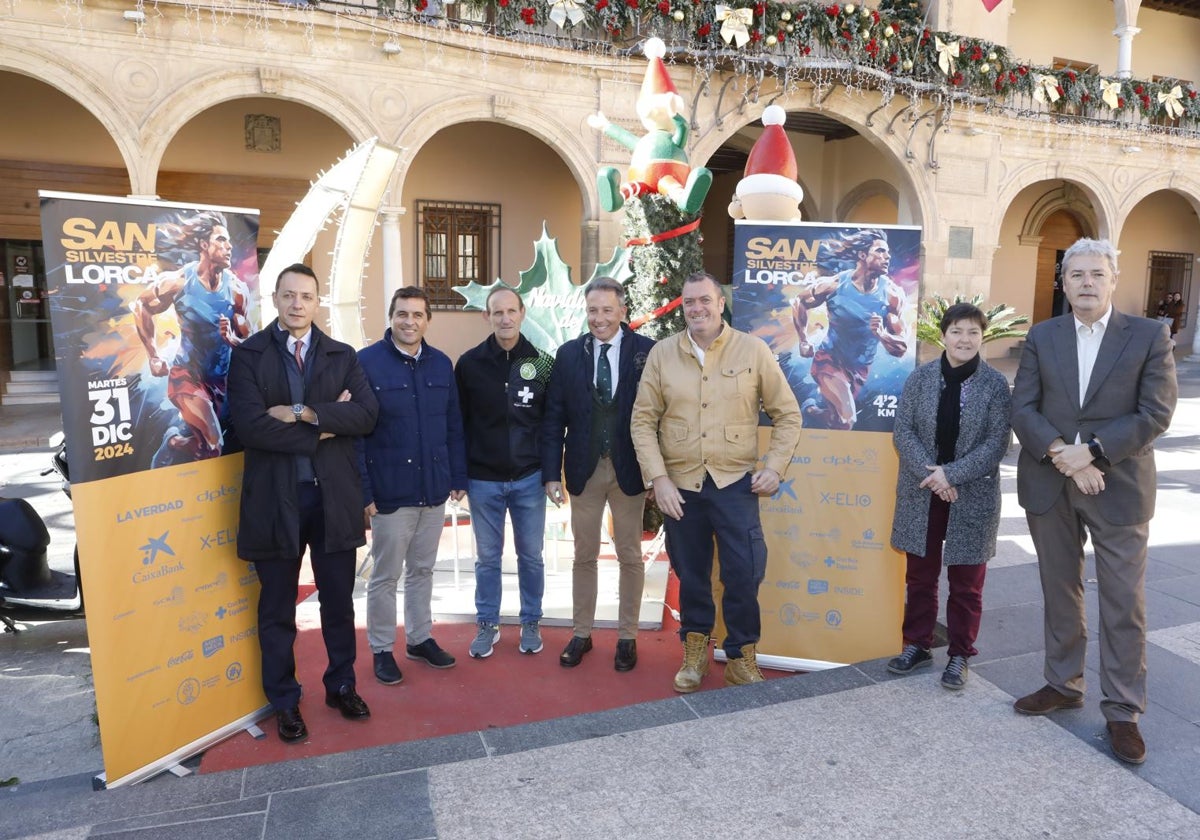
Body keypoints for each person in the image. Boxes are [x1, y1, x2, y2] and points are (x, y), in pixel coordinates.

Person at [1011, 238, 1176, 766]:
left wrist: (1094, 455)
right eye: (1076, 274)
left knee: (1123, 602)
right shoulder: (1043, 335)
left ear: (1113, 278)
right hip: (1050, 483)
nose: (1086, 282)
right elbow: (1024, 406)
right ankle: (1063, 683)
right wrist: (1063, 453)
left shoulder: (1150, 335)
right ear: (1064, 282)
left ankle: (1123, 710)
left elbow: (1155, 412)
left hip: (1119, 486)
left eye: (1096, 274)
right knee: (1059, 591)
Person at [227, 263, 379, 743]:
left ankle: (341, 684)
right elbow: (249, 427)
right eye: (289, 295)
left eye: (306, 296)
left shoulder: (341, 353)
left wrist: (302, 413)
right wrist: (327, 428)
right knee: (277, 609)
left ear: (317, 303)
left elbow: (368, 414)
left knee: (338, 603)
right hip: (275, 501)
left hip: (332, 498)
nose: (297, 304)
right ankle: (285, 702)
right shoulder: (249, 355)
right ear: (274, 298)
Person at [631, 271, 802, 692]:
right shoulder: (663, 355)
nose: (697, 309)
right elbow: (642, 420)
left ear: (720, 303)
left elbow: (788, 414)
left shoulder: (754, 350)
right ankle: (695, 655)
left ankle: (742, 657)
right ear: (682, 306)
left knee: (743, 574)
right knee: (691, 575)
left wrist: (775, 467)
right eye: (689, 302)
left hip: (735, 485)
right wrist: (659, 479)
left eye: (705, 300)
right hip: (682, 489)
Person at [888, 302, 1011, 690]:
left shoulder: (995, 385)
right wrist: (934, 476)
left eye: (973, 332)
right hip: (922, 491)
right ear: (943, 335)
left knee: (967, 582)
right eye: (957, 331)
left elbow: (997, 443)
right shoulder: (920, 379)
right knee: (920, 577)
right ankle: (918, 644)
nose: (965, 339)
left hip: (971, 494)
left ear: (982, 337)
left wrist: (951, 474)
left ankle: (959, 654)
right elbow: (903, 432)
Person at [542, 277, 656, 671]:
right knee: (583, 554)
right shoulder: (569, 354)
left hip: (629, 468)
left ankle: (627, 637)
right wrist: (551, 474)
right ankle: (581, 633)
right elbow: (554, 416)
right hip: (583, 469)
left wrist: (659, 473)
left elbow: (659, 414)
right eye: (593, 310)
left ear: (623, 312)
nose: (599, 318)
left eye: (608, 310)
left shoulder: (647, 351)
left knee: (629, 555)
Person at [357, 286, 467, 685]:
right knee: (385, 576)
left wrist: (456, 476)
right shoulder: (366, 363)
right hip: (389, 493)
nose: (409, 321)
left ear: (427, 320)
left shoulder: (441, 365)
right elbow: (356, 435)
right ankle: (382, 649)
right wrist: (365, 492)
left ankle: (420, 638)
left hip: (433, 489)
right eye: (402, 314)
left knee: (422, 569)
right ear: (391, 317)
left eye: (418, 315)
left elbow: (453, 425)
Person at [455, 286, 553, 659]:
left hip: (529, 477)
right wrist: (459, 476)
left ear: (523, 313)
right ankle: (487, 623)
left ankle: (531, 620)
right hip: (483, 479)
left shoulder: (543, 362)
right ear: (487, 316)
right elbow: (458, 423)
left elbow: (549, 423)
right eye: (497, 312)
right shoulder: (469, 363)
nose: (505, 319)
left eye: (511, 311)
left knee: (531, 556)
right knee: (488, 558)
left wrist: (549, 473)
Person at [132, 210, 251, 465]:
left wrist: (233, 340)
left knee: (208, 447)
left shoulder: (237, 290)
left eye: (229, 241)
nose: (229, 246)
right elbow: (141, 307)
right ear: (204, 245)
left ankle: (175, 442)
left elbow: (246, 339)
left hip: (223, 381)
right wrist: (153, 355)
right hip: (187, 376)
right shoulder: (178, 282)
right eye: (221, 240)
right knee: (214, 443)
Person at [790, 228, 907, 430]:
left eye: (887, 252)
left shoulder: (891, 295)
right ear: (862, 255)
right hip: (829, 361)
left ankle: (811, 411)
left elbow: (901, 347)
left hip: (859, 369)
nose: (887, 257)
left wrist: (882, 335)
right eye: (880, 251)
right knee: (848, 418)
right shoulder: (834, 285)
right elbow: (799, 302)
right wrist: (803, 339)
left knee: (837, 421)